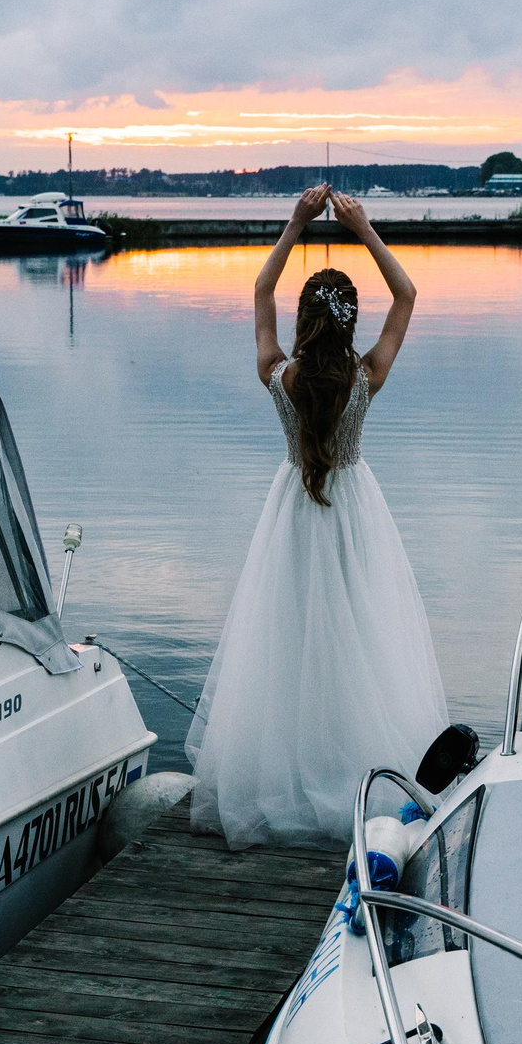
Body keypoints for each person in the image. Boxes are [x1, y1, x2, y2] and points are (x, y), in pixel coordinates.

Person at [186, 186, 448, 847]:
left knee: (291, 640)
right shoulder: (366, 377)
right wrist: (363, 228)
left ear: (302, 320)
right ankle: (356, 768)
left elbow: (258, 290)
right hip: (357, 518)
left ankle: (292, 768)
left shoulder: (278, 376)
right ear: (350, 320)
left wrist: (295, 224)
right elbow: (409, 294)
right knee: (360, 639)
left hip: (293, 518)